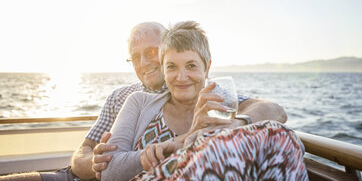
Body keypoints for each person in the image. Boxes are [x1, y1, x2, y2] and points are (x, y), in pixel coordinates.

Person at [0, 21, 287, 181]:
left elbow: (269, 110)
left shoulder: (206, 95)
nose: (144, 63)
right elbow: (84, 154)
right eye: (135, 57)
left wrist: (234, 124)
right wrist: (93, 164)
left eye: (151, 53)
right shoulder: (125, 97)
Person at [101, 21, 307, 181]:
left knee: (282, 135)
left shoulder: (220, 103)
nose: (181, 77)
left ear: (207, 68)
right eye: (172, 66)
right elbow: (109, 172)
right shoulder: (139, 102)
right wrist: (181, 143)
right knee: (214, 147)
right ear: (163, 69)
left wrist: (237, 124)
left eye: (191, 65)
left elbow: (275, 111)